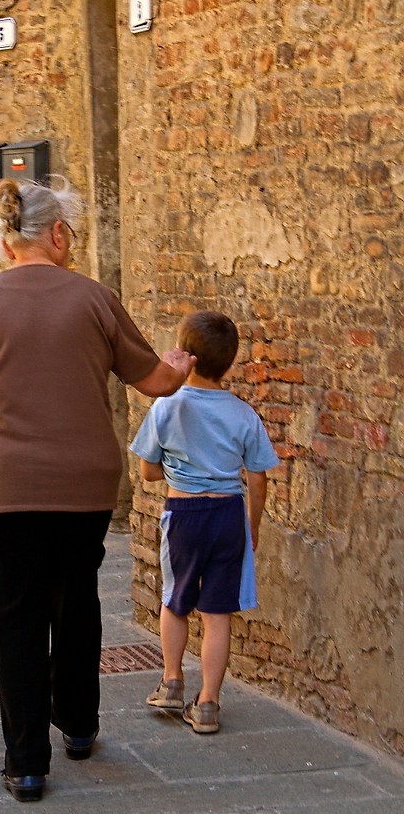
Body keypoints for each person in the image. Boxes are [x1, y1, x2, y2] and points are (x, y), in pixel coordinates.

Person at [0, 176, 195, 801]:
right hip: (83, 486)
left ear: (9, 243)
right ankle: (81, 725)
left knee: (17, 620)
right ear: (57, 234)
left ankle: (27, 763)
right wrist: (180, 365)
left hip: (1, 488)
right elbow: (155, 384)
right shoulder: (95, 299)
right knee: (76, 599)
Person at [130, 309, 278, 734]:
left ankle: (172, 682)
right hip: (229, 515)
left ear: (186, 356)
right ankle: (209, 704)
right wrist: (253, 527)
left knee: (175, 598)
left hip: (185, 515)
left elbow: (147, 471)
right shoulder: (243, 414)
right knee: (217, 613)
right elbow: (258, 478)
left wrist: (179, 470)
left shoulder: (167, 407)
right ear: (229, 361)